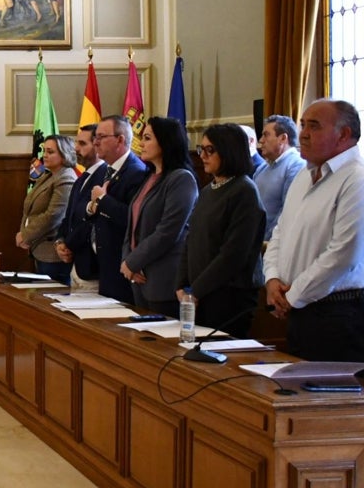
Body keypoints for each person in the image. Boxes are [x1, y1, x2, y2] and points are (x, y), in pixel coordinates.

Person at [264, 99, 364, 361]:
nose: (303, 134)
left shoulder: (357, 180)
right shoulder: (303, 176)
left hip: (339, 313)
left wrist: (293, 296)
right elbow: (279, 233)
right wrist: (273, 279)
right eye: (303, 125)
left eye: (314, 126)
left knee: (328, 399)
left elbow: (343, 254)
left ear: (343, 134)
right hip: (300, 310)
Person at [175, 124, 265, 338]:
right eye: (201, 149)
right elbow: (191, 238)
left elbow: (233, 254)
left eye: (210, 150)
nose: (203, 156)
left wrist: (195, 290)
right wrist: (182, 284)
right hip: (200, 293)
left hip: (230, 295)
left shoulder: (244, 191)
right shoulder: (209, 190)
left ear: (229, 150)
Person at [119, 116, 198, 316]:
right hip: (138, 276)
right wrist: (129, 262)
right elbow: (132, 226)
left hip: (163, 278)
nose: (141, 144)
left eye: (147, 138)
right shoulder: (150, 177)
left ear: (165, 141)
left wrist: (133, 262)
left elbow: (168, 231)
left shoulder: (181, 179)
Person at [86, 115, 150, 303]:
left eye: (101, 137)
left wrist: (102, 200)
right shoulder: (106, 170)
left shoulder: (136, 172)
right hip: (105, 265)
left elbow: (132, 219)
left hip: (123, 266)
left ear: (120, 140)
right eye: (95, 137)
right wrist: (93, 206)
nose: (95, 143)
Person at [17, 135, 76, 284]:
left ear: (64, 155)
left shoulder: (66, 179)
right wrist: (25, 233)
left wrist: (26, 235)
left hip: (53, 253)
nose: (45, 156)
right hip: (39, 248)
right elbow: (29, 209)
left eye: (50, 152)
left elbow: (53, 216)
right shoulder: (47, 175)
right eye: (45, 151)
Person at [56, 124, 104, 291]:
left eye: (82, 144)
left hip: (92, 267)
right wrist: (60, 241)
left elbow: (91, 222)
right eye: (77, 143)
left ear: (98, 146)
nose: (76, 148)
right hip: (76, 265)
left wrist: (69, 244)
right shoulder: (81, 178)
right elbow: (69, 217)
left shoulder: (104, 176)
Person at [254, 114, 303, 241]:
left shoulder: (296, 166)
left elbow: (287, 210)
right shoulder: (262, 168)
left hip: (272, 244)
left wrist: (265, 241)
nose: (261, 140)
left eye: (266, 135)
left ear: (282, 138)